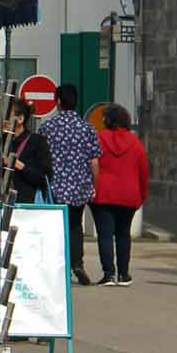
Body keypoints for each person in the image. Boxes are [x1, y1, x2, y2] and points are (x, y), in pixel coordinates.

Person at [39, 84, 100, 285]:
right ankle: (78, 264)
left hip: (55, 186)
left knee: (56, 227)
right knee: (75, 225)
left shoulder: (47, 128)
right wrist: (95, 184)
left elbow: (41, 157)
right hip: (80, 186)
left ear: (57, 102)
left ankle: (58, 265)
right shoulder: (87, 128)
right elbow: (93, 161)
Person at [90, 105, 149, 284]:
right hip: (129, 194)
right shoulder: (135, 142)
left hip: (103, 192)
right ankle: (124, 274)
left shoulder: (99, 139)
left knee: (105, 234)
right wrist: (142, 196)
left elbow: (92, 163)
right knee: (123, 234)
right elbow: (143, 171)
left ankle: (108, 273)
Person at [5, 108, 53, 205]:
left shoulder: (37, 141)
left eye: (7, 117)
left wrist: (20, 166)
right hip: (4, 203)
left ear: (20, 119)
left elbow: (44, 177)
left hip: (28, 205)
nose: (4, 121)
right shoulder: (2, 143)